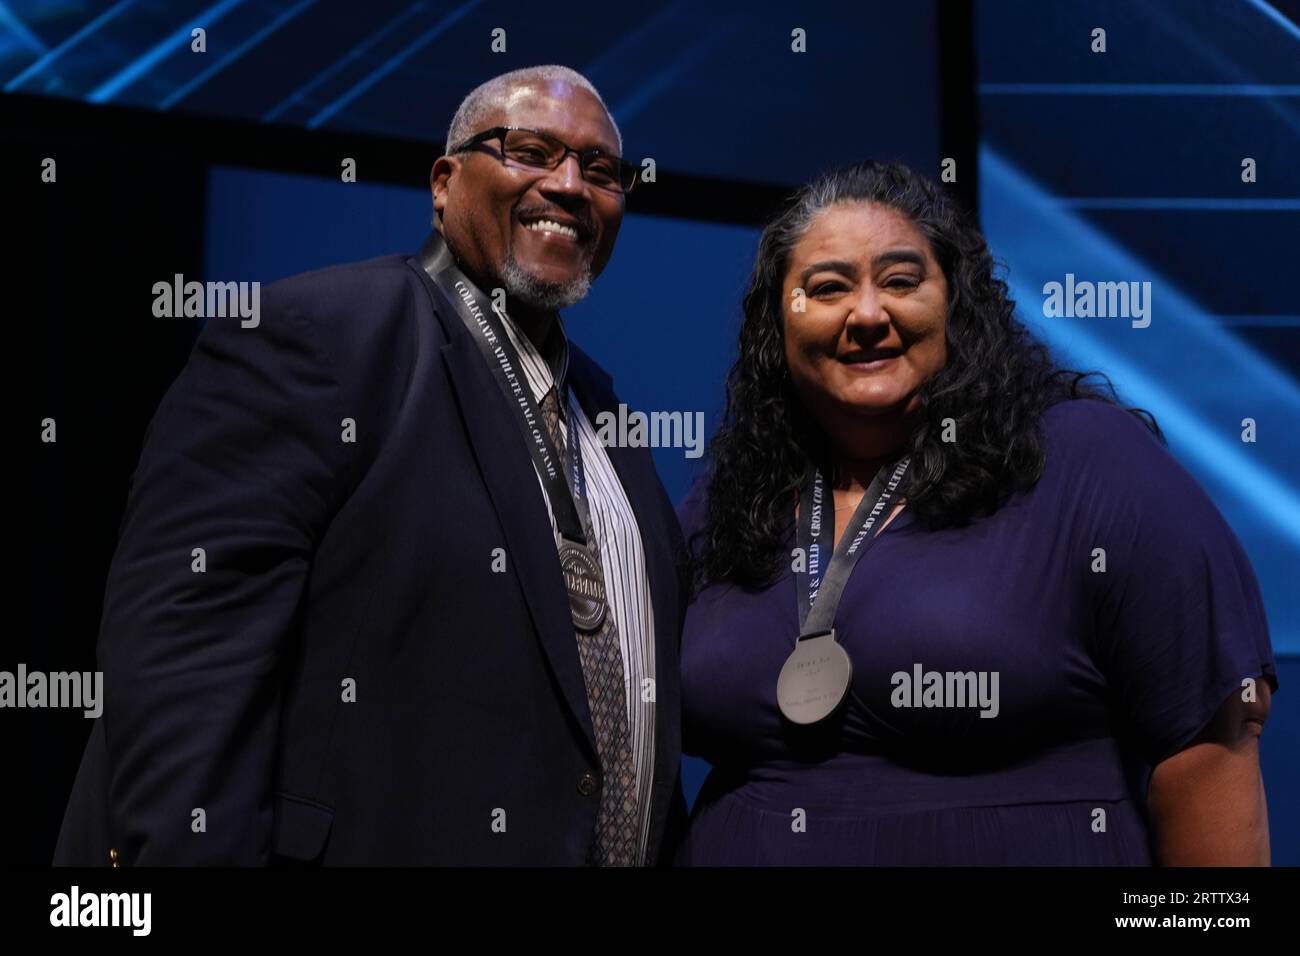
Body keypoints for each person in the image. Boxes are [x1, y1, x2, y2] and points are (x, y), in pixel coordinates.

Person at [54, 65, 688, 866]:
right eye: (531, 150)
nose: (570, 186)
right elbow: (184, 666)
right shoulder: (320, 335)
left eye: (602, 171)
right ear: (444, 180)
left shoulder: (607, 418)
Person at [674, 160, 1278, 866]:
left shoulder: (1091, 463)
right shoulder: (733, 498)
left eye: (901, 281)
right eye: (828, 288)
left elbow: (1210, 752)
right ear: (778, 324)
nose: (867, 314)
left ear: (957, 303)